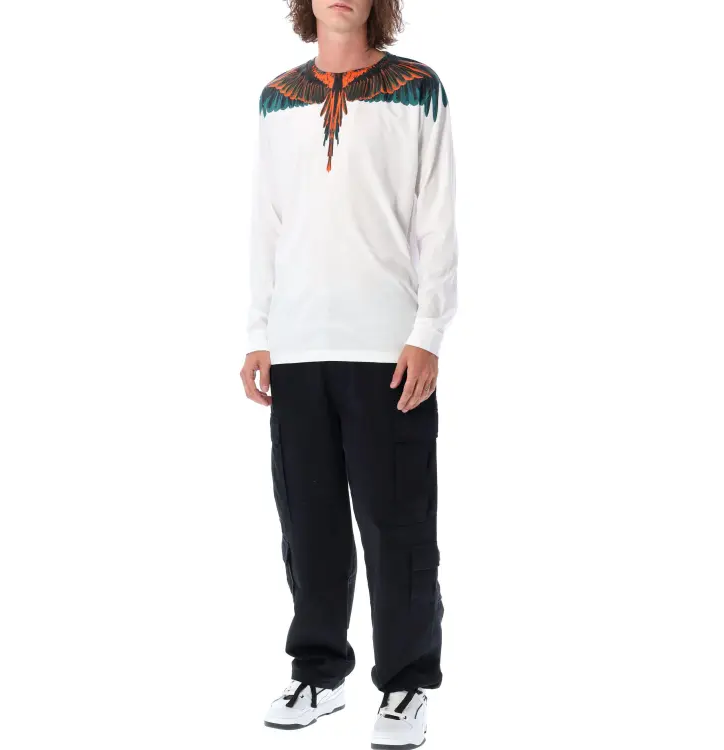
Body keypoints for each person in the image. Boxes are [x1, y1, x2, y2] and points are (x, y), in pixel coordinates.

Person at [240, 1, 458, 747]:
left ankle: (405, 685)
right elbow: (268, 220)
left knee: (398, 524)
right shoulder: (277, 98)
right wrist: (259, 332)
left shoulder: (418, 88)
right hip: (298, 346)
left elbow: (437, 216)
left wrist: (428, 332)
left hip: (387, 347)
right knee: (310, 523)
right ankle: (317, 673)